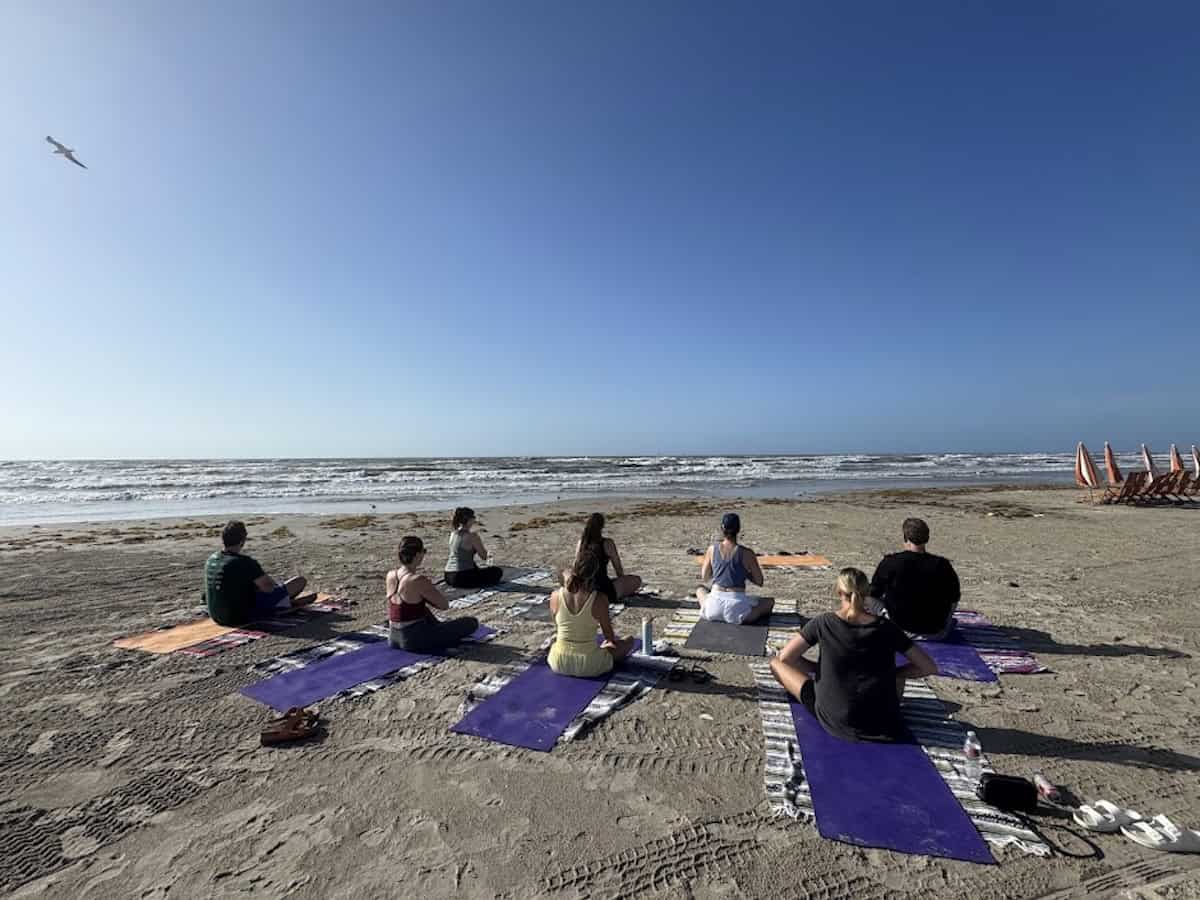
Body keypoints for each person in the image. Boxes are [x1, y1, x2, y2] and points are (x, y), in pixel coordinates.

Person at [770, 568, 938, 743]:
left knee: (775, 663)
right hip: (883, 722)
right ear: (866, 593)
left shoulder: (823, 623)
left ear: (839, 592)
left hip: (837, 719)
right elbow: (928, 667)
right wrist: (893, 674)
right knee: (898, 673)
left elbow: (786, 657)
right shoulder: (887, 627)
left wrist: (817, 669)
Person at [548, 545, 635, 677]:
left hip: (558, 662)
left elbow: (557, 626)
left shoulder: (555, 595)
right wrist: (607, 645)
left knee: (558, 641)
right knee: (629, 641)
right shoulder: (599, 599)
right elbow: (609, 636)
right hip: (589, 664)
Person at [868, 517, 961, 639]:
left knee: (867, 596)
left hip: (899, 630)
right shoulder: (942, 565)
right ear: (927, 538)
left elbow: (874, 592)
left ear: (906, 538)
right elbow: (954, 597)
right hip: (935, 631)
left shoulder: (891, 563)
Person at [204, 520, 309, 626]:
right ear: (242, 541)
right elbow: (269, 588)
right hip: (238, 617)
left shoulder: (212, 559)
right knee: (299, 581)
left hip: (217, 616)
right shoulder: (244, 562)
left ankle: (283, 602)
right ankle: (283, 604)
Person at [388, 536, 480, 652]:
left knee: (422, 609)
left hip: (393, 636)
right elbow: (444, 605)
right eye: (423, 552)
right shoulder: (418, 580)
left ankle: (437, 629)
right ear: (417, 555)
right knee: (471, 623)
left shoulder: (391, 575)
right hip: (414, 640)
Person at [696, 512, 773, 624]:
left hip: (714, 606)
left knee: (700, 589)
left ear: (722, 528)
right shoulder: (747, 553)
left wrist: (718, 570)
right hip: (737, 607)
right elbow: (759, 581)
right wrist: (745, 572)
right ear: (738, 529)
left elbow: (705, 577)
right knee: (769, 602)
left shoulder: (712, 549)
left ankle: (711, 606)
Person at [575, 513, 642, 604]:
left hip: (584, 589)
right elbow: (618, 569)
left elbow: (576, 567)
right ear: (602, 526)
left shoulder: (581, 543)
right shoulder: (607, 543)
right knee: (637, 580)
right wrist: (622, 580)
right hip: (603, 591)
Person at [444, 507, 503, 589]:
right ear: (469, 520)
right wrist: (489, 552)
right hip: (462, 577)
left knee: (474, 567)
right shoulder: (472, 536)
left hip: (448, 575)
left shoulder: (453, 534)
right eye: (473, 517)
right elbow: (484, 556)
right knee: (497, 571)